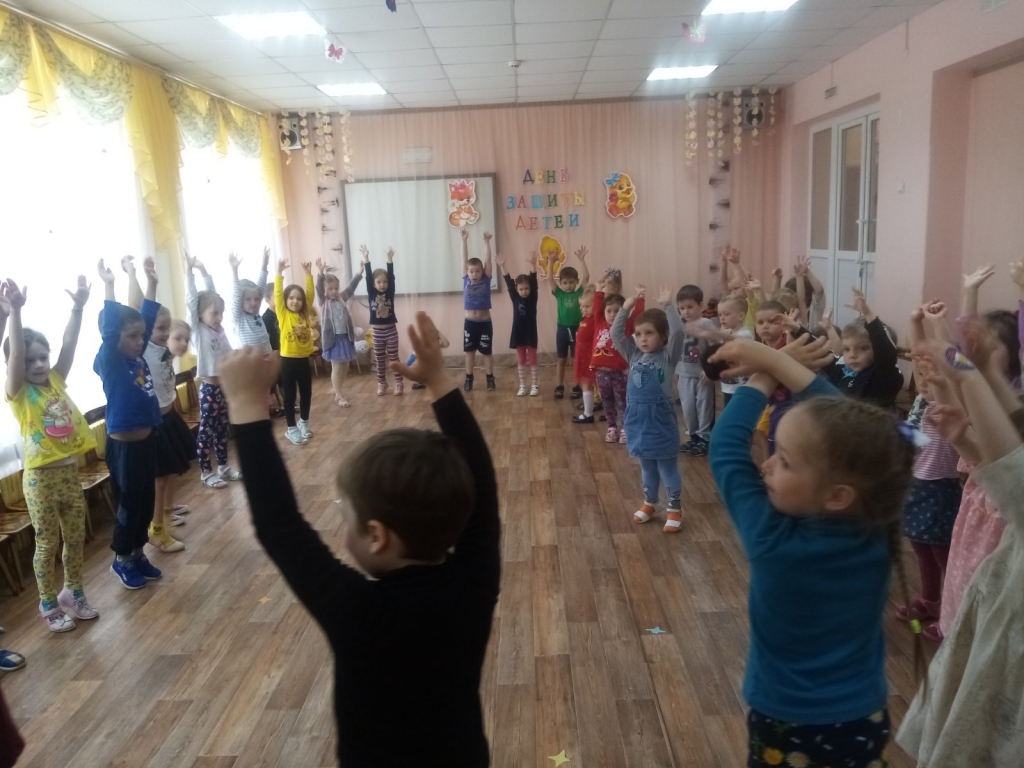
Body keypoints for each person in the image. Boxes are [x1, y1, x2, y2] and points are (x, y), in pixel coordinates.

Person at [220, 311, 499, 768]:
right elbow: (483, 487)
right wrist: (439, 382)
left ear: (376, 536)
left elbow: (277, 524)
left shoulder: (360, 611)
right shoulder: (475, 582)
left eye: (344, 513)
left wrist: (245, 403)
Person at [706, 334, 919, 768]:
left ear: (837, 495)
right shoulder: (876, 523)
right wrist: (774, 360)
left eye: (783, 460)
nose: (767, 465)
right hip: (864, 718)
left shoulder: (772, 540)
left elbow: (726, 447)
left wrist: (769, 369)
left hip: (784, 724)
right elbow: (855, 433)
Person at [896, 336, 1024, 767]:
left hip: (941, 497)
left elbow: (1010, 464)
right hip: (927, 494)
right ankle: (933, 601)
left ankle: (933, 602)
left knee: (937, 552)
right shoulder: (923, 405)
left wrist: (967, 372)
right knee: (926, 551)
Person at [3, 277, 98, 629]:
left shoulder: (55, 380)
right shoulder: (18, 392)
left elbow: (69, 345)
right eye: (32, 361)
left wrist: (78, 307)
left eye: (43, 357)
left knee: (74, 538)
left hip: (68, 474)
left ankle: (73, 592)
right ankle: (48, 604)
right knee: (47, 543)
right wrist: (15, 312)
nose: (40, 364)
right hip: (40, 481)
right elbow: (15, 355)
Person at [94, 259, 164, 590]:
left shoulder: (137, 356)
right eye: (132, 336)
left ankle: (137, 552)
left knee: (146, 501)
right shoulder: (111, 360)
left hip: (147, 442)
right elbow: (111, 330)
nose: (140, 341)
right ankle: (122, 558)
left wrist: (151, 283)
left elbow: (145, 321)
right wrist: (109, 285)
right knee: (129, 503)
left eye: (141, 336)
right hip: (124, 449)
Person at [123, 257, 192, 553]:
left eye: (166, 328)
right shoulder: (147, 350)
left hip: (169, 417)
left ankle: (165, 515)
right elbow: (140, 311)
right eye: (159, 328)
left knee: (171, 474)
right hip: (157, 422)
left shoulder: (165, 350)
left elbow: (176, 340)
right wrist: (137, 277)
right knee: (161, 478)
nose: (163, 333)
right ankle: (157, 529)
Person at [611, 284, 686, 533]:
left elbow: (678, 332)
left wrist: (669, 305)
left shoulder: (668, 356)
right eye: (639, 334)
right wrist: (626, 308)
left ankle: (674, 509)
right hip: (637, 420)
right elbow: (615, 334)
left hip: (660, 419)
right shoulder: (632, 355)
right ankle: (650, 502)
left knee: (666, 466)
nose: (643, 338)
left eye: (649, 333)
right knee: (646, 466)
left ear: (663, 337)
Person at [184, 251, 240, 488]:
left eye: (221, 313)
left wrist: (205, 271)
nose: (219, 317)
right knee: (206, 433)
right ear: (200, 315)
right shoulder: (198, 331)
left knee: (222, 431)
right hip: (209, 391)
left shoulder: (219, 329)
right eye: (214, 313)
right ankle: (206, 472)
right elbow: (193, 301)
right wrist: (190, 271)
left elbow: (213, 297)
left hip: (224, 388)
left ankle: (224, 467)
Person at [821, 287, 904, 408]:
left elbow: (885, 352)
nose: (852, 355)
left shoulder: (883, 376)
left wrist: (868, 314)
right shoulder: (843, 368)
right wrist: (797, 329)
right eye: (847, 349)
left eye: (863, 348)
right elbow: (822, 353)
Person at [585, 272, 644, 441]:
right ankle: (611, 427)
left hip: (620, 372)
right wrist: (599, 290)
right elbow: (597, 307)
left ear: (623, 312)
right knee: (607, 401)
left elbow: (638, 313)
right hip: (601, 372)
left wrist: (640, 298)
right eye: (609, 311)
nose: (612, 314)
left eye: (617, 311)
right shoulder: (599, 322)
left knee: (623, 401)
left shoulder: (627, 325)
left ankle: (625, 428)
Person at [275, 258, 316, 445]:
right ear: (285, 301)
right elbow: (277, 295)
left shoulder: (305, 314)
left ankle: (303, 423)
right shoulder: (283, 314)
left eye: (298, 299)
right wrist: (279, 273)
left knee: (307, 393)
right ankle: (291, 428)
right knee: (290, 396)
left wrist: (308, 275)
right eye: (291, 298)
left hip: (303, 360)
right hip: (287, 361)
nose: (295, 301)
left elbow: (310, 296)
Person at [315, 253, 362, 407]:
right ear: (325, 290)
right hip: (333, 340)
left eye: (336, 288)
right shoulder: (323, 301)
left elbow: (351, 288)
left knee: (345, 366)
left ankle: (338, 391)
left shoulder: (341, 298)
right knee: (337, 367)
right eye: (330, 289)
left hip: (345, 338)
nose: (334, 291)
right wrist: (320, 274)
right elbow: (319, 289)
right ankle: (339, 395)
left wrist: (359, 274)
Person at [676, 285, 717, 456]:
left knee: (704, 407)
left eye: (690, 307)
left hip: (702, 376)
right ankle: (693, 437)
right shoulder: (679, 324)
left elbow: (715, 347)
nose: (686, 311)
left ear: (701, 305)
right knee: (688, 408)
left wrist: (710, 370)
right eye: (682, 308)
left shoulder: (706, 323)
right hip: (684, 374)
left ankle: (705, 439)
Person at [496, 251, 539, 396]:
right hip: (518, 333)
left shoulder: (533, 298)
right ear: (517, 290)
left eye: (526, 288)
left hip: (531, 333)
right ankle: (523, 385)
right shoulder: (515, 297)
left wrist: (533, 265)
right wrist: (503, 266)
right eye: (521, 289)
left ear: (530, 289)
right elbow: (509, 282)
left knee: (532, 359)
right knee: (521, 359)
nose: (524, 291)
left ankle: (534, 385)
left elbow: (534, 280)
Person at [362, 245, 403, 396]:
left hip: (391, 330)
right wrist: (366, 259)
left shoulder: (390, 292)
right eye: (379, 282)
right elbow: (368, 276)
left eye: (384, 282)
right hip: (377, 332)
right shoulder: (371, 293)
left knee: (394, 357)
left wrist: (390, 260)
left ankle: (399, 383)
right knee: (379, 359)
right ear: (374, 284)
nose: (382, 284)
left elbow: (391, 277)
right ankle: (382, 383)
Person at [551, 246, 590, 399]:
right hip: (562, 330)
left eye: (571, 282)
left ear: (576, 282)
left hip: (577, 330)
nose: (568, 285)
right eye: (565, 282)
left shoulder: (579, 293)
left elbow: (586, 277)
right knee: (561, 360)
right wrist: (551, 262)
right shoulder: (559, 294)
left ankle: (577, 385)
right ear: (561, 283)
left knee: (576, 360)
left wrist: (582, 260)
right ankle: (559, 385)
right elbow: (550, 279)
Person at [461, 229, 495, 392]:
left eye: (477, 271)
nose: (474, 274)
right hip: (470, 322)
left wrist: (486, 242)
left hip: (484, 322)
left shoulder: (486, 279)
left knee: (487, 352)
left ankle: (490, 378)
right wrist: (464, 241)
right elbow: (464, 258)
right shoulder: (466, 279)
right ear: (467, 272)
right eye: (471, 271)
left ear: (482, 271)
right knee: (470, 352)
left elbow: (487, 260)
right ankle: (469, 378)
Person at [230, 247, 272, 354]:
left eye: (256, 299)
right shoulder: (238, 317)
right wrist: (234, 270)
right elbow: (237, 294)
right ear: (241, 301)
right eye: (248, 299)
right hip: (251, 359)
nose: (254, 303)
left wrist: (264, 265)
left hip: (267, 355)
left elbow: (261, 287)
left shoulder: (255, 312)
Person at [716, 295, 755, 408]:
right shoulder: (728, 332)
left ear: (740, 316)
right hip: (728, 385)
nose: (722, 318)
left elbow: (737, 342)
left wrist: (725, 337)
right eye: (720, 314)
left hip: (741, 385)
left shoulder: (745, 333)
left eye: (726, 314)